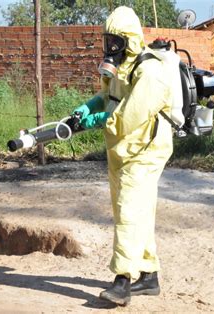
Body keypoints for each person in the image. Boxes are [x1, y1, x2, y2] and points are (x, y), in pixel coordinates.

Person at [72, 6, 174, 306]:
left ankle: (122, 281)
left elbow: (127, 118)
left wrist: (97, 121)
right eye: (107, 41)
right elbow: (109, 96)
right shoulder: (124, 66)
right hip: (123, 150)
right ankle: (149, 274)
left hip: (145, 150)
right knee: (134, 211)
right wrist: (87, 108)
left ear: (129, 39)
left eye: (115, 41)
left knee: (129, 211)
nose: (110, 47)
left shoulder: (151, 72)